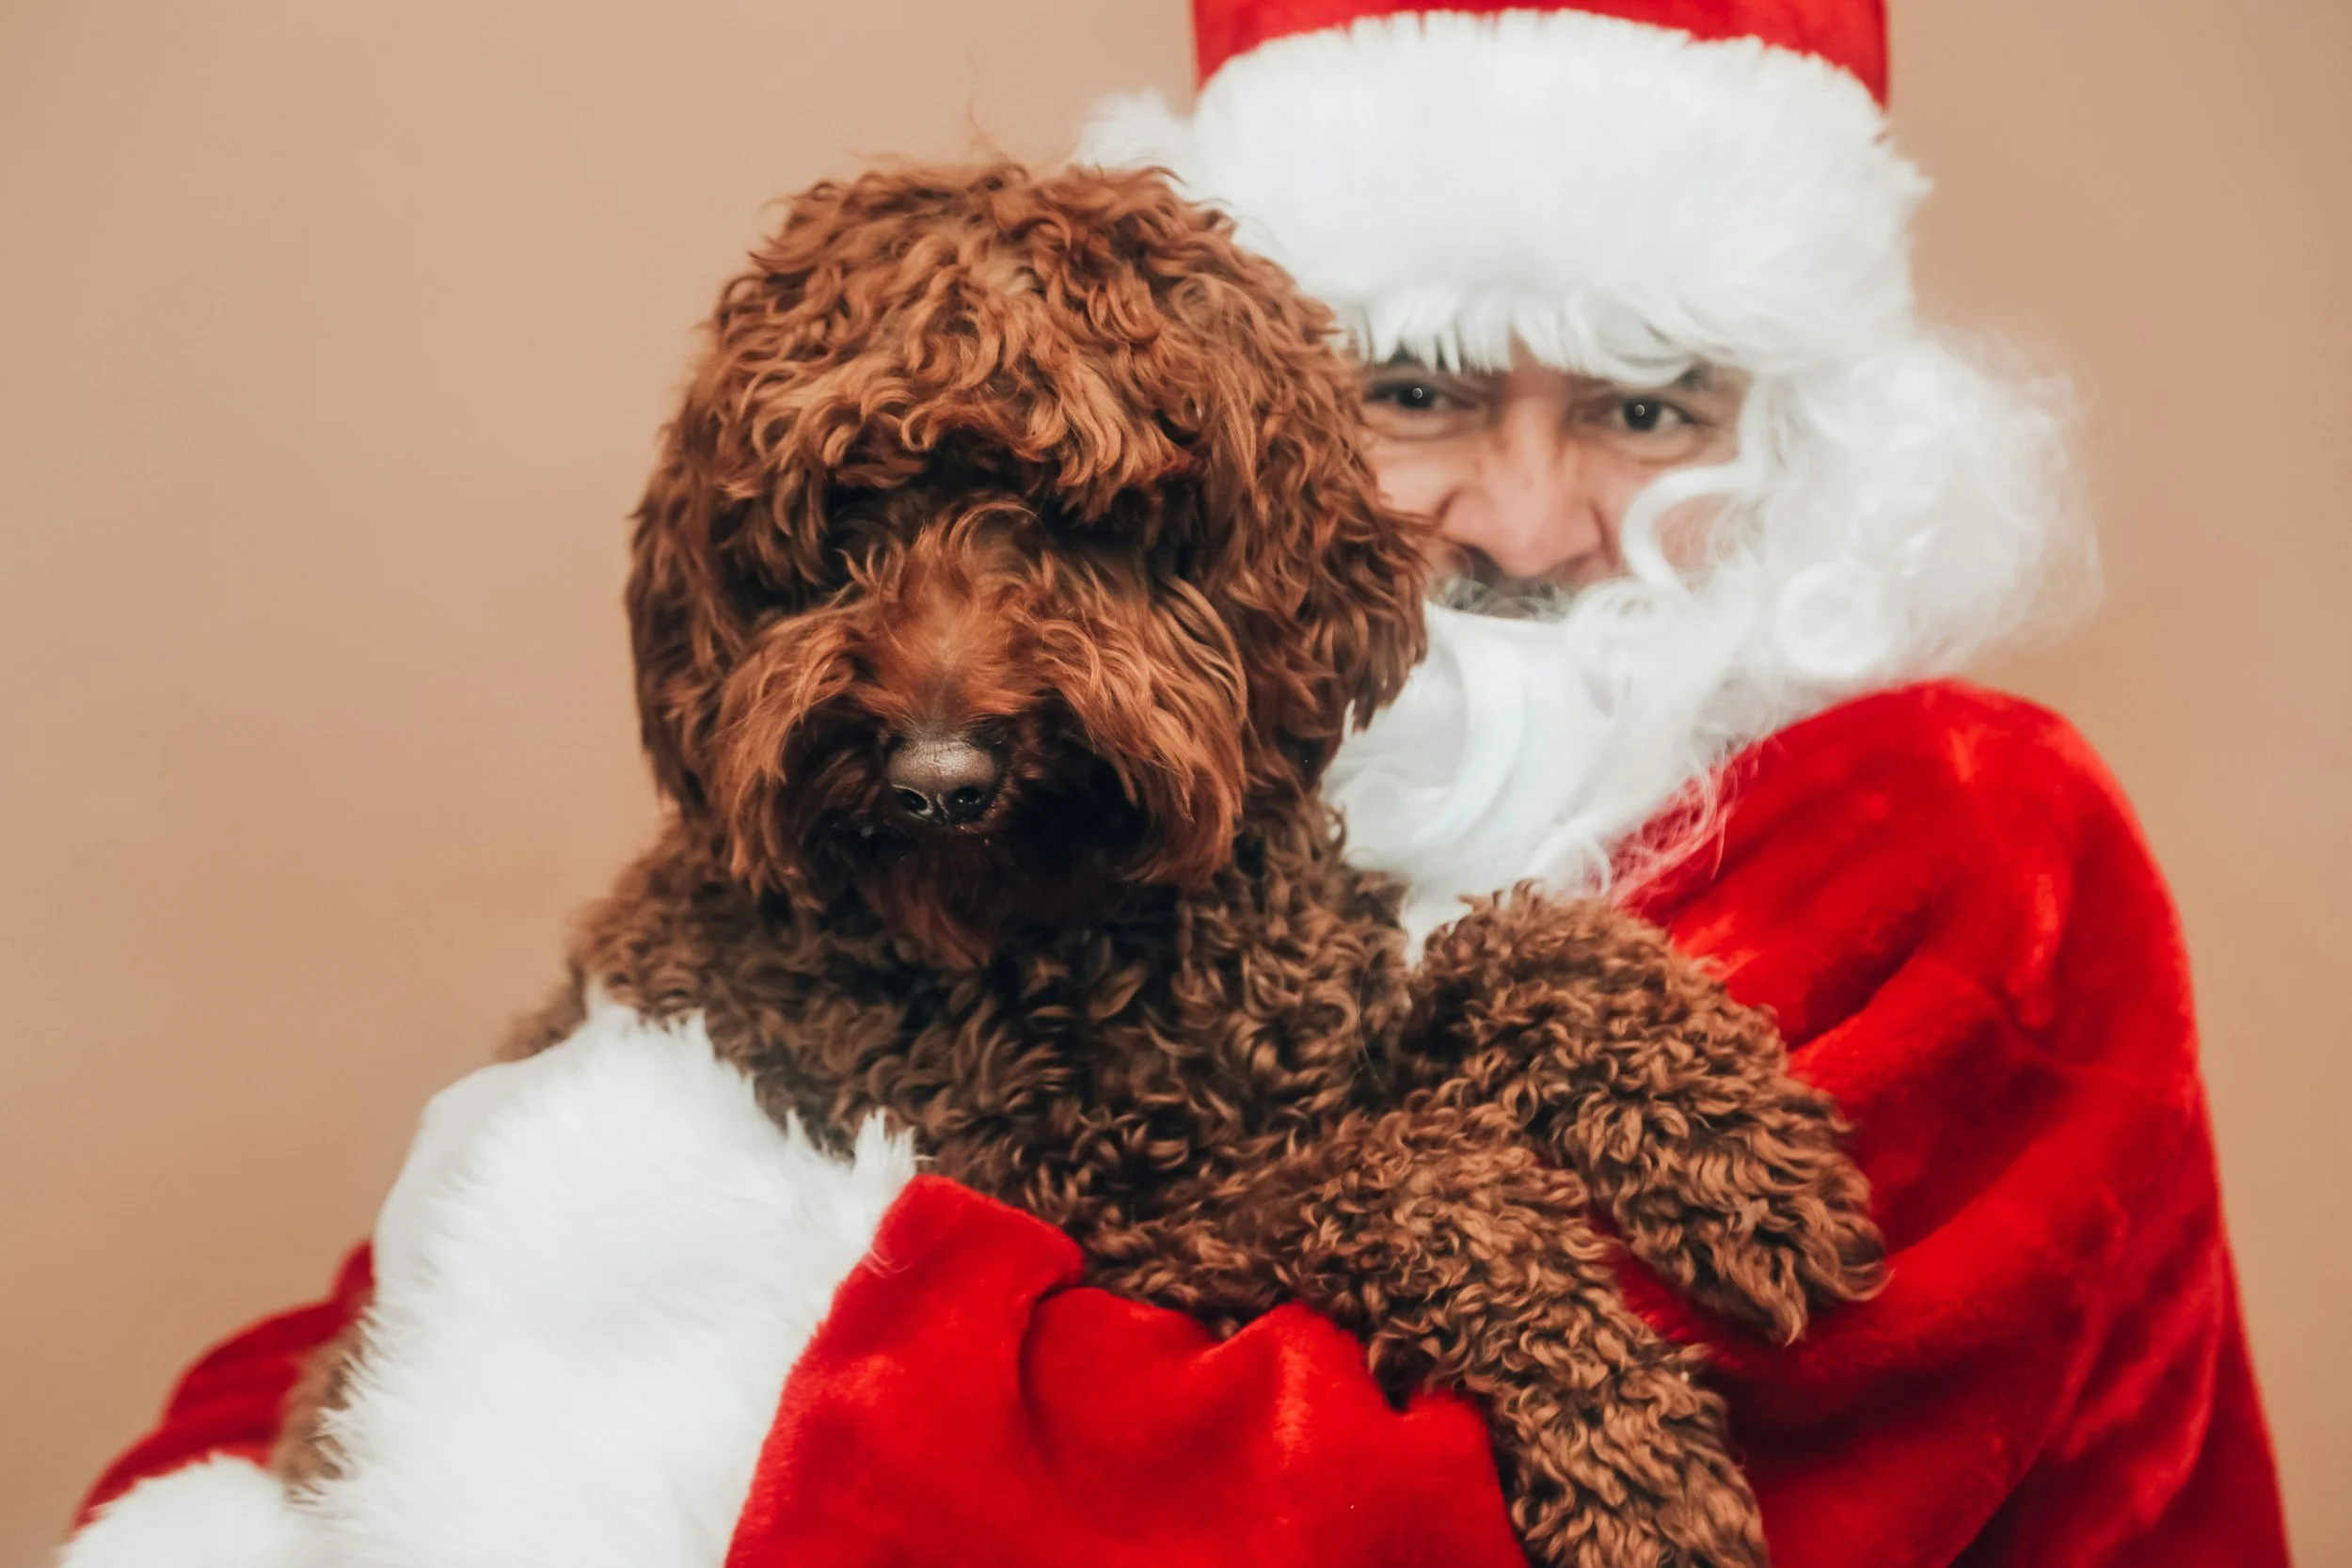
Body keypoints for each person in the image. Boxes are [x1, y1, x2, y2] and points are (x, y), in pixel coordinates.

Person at [59, 4, 2289, 1565]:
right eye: (1418, 390)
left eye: (1641, 405)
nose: (1519, 524)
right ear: (1267, 454)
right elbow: (421, 1285)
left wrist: (645, 1295)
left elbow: (1378, 1520)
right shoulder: (1167, 830)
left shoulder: (1958, 837)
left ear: (1809, 436)